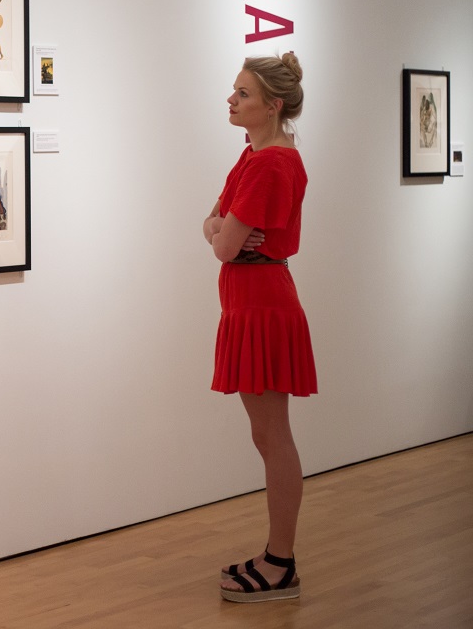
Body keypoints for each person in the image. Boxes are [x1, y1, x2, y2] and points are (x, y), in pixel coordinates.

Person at [202, 52, 316, 604]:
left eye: (242, 94)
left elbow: (222, 242)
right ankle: (277, 557)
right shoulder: (253, 156)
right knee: (266, 436)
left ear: (271, 106)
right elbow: (212, 222)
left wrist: (222, 231)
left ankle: (281, 563)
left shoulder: (271, 164)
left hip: (263, 305)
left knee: (273, 437)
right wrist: (221, 228)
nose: (231, 99)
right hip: (251, 302)